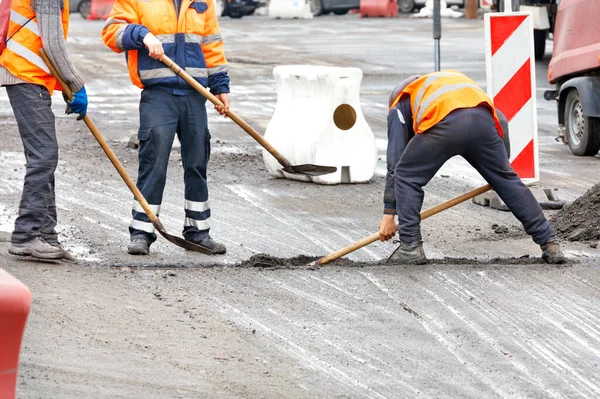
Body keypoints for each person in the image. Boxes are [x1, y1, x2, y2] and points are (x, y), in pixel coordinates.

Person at [378, 71, 566, 265]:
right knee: (508, 181)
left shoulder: (399, 104)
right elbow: (500, 121)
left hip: (444, 125)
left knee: (406, 176)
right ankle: (549, 242)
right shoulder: (446, 84)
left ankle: (410, 248)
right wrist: (499, 171)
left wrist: (389, 214)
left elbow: (395, 163)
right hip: (482, 123)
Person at [102, 0, 230, 255]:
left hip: (195, 93)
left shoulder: (202, 2)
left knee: (197, 162)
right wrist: (143, 34)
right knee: (154, 162)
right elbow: (111, 33)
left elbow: (211, 45)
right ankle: (142, 232)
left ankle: (198, 232)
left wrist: (221, 86)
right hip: (158, 95)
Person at [1, 0, 88, 260]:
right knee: (44, 156)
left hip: (31, 77)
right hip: (26, 75)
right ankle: (26, 235)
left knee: (44, 155)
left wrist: (64, 85)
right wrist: (75, 83)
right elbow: (52, 43)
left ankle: (46, 234)